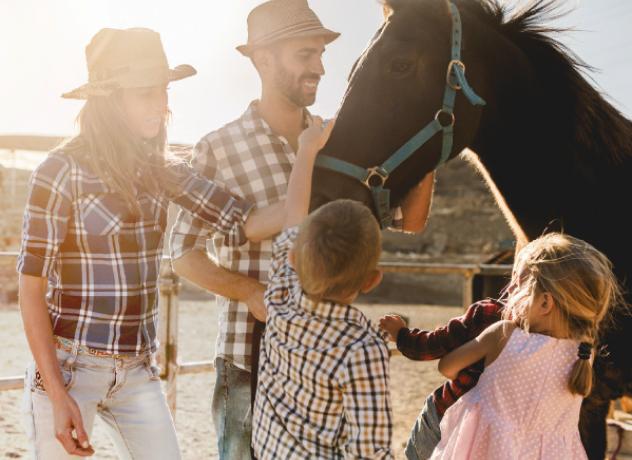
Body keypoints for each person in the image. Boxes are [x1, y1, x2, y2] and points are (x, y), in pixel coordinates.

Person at [169, 1, 433, 457]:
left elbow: (408, 221)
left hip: (327, 361)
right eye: (305, 55)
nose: (319, 68)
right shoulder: (219, 147)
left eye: (321, 55)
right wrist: (251, 293)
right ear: (263, 58)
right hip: (246, 353)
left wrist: (427, 147)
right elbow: (180, 252)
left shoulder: (342, 139)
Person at [17, 27, 282, 459]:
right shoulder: (58, 171)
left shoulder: (161, 171)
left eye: (163, 91)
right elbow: (30, 290)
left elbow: (243, 219)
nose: (161, 105)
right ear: (108, 100)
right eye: (145, 93)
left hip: (137, 371)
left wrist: (310, 167)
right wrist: (57, 393)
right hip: (68, 367)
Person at [383, 233, 622, 460]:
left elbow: (447, 367)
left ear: (545, 302)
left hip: (469, 440)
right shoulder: (583, 354)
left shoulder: (504, 334)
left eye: (518, 284)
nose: (509, 291)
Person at [252, 116, 394, 459]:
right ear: (372, 280)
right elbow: (370, 451)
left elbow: (293, 215)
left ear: (293, 260)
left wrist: (306, 149)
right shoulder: (363, 348)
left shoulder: (281, 296)